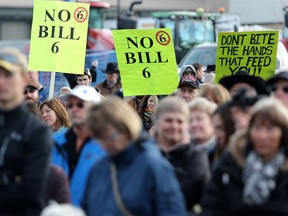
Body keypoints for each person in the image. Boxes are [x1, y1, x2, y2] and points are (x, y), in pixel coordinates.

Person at [83, 97, 186, 216]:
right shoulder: (99, 168)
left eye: (109, 138)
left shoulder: (154, 166)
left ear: (126, 129)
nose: (103, 147)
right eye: (99, 139)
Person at [201, 98, 288, 215]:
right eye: (257, 128)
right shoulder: (231, 160)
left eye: (269, 129)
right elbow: (211, 204)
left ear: (283, 132)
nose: (262, 136)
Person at [0, 47, 52, 215]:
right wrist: (10, 179)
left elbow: (31, 190)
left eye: (8, 75)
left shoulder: (37, 131)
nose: (1, 82)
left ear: (23, 79)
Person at [153, 96, 211, 212]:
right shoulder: (144, 153)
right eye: (168, 120)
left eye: (179, 121)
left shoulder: (196, 156)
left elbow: (188, 193)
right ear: (157, 122)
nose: (174, 126)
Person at [52, 85, 106, 206]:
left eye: (80, 105)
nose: (74, 109)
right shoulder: (54, 142)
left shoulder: (107, 145)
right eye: (71, 105)